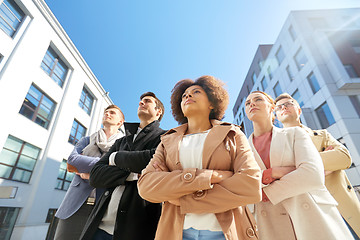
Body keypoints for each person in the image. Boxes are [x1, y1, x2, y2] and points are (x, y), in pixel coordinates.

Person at [138, 76, 262, 240]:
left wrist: (177, 194)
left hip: (224, 232)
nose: (187, 96)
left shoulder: (232, 133)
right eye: (184, 96)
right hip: (177, 232)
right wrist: (212, 176)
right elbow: (146, 186)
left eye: (196, 92)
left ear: (212, 103)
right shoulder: (167, 140)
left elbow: (251, 186)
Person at [245, 91, 353, 240]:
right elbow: (243, 183)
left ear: (271, 108)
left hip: (315, 208)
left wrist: (273, 175)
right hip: (269, 221)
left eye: (258, 99)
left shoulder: (303, 134)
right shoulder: (242, 149)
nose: (252, 104)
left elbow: (330, 164)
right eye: (247, 102)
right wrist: (299, 167)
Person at [80, 92, 166, 240]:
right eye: (140, 101)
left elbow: (153, 160)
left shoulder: (167, 137)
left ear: (159, 111)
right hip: (98, 226)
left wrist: (115, 157)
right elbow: (95, 176)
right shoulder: (122, 141)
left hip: (136, 229)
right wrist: (133, 175)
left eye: (147, 101)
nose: (141, 103)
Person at [274, 92, 360, 239]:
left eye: (288, 104)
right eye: (279, 107)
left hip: (342, 206)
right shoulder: (274, 146)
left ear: (299, 110)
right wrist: (322, 164)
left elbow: (344, 158)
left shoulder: (322, 135)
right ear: (276, 117)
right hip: (309, 212)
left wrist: (299, 166)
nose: (284, 107)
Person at [54, 105, 125, 240]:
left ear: (120, 122)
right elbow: (72, 161)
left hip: (104, 207)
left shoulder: (124, 146)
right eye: (106, 112)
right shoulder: (87, 140)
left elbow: (121, 171)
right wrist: (106, 164)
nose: (107, 114)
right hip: (76, 203)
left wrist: (88, 170)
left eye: (112, 113)